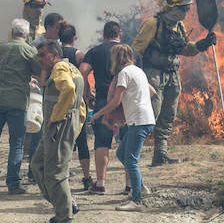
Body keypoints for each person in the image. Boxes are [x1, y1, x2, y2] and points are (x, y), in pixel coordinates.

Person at [132, 0, 216, 166]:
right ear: (172, 8)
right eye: (184, 8)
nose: (187, 12)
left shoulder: (178, 26)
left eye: (188, 8)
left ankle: (160, 154)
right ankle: (130, 151)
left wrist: (203, 44)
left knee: (168, 115)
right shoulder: (152, 24)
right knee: (150, 115)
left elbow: (186, 49)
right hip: (153, 74)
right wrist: (137, 77)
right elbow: (135, 51)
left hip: (172, 75)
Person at [0, 19, 39, 195]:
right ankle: (13, 183)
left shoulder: (0, 48)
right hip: (17, 102)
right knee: (16, 144)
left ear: (11, 31)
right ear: (26, 35)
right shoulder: (29, 50)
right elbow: (36, 70)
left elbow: (3, 69)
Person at [30, 40, 86, 223]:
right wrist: (75, 125)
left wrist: (56, 117)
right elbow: (81, 104)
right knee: (37, 165)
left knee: (56, 174)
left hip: (58, 126)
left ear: (54, 55)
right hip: (58, 127)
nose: (40, 59)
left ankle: (64, 221)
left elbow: (69, 90)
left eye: (43, 55)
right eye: (39, 55)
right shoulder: (73, 68)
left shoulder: (60, 67)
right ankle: (67, 205)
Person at [91, 44, 156, 211]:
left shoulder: (124, 73)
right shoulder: (138, 71)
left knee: (131, 161)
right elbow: (153, 92)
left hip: (138, 120)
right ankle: (141, 188)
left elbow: (115, 102)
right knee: (121, 154)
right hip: (144, 118)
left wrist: (98, 114)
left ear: (116, 58)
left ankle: (136, 201)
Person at [78, 21, 124, 193]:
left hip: (104, 100)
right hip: (124, 102)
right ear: (120, 34)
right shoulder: (129, 51)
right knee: (126, 142)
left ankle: (101, 183)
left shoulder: (95, 51)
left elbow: (82, 70)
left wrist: (87, 93)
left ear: (104, 35)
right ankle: (129, 185)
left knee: (102, 142)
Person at [26, 11, 63, 183]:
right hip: (41, 93)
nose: (60, 31)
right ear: (48, 27)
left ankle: (49, 169)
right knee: (38, 132)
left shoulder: (58, 44)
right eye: (57, 28)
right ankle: (33, 172)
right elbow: (30, 69)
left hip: (55, 93)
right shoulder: (36, 44)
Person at [59, 23, 92, 191]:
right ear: (74, 38)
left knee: (60, 141)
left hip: (58, 101)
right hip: (77, 102)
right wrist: (89, 94)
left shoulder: (55, 53)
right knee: (81, 141)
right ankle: (86, 178)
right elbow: (83, 76)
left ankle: (61, 176)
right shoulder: (78, 54)